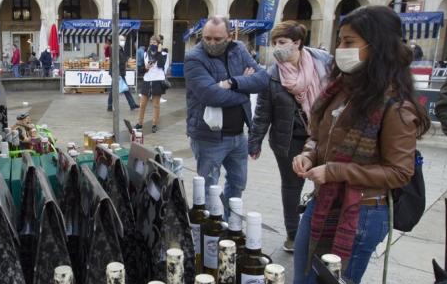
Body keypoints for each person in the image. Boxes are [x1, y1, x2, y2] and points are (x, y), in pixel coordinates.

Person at [291, 6, 430, 284]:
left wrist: (337, 171)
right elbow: (319, 136)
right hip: (323, 202)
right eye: (340, 40)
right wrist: (309, 155)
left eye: (349, 41)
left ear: (376, 45)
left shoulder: (396, 105)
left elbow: (399, 172)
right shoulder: (341, 89)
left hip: (362, 214)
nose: (341, 48)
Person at [249, 21, 332, 252]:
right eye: (275, 43)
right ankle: (293, 234)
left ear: (297, 43)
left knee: (324, 183)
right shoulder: (272, 74)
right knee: (291, 186)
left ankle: (320, 230)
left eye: (282, 42)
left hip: (323, 137)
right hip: (287, 139)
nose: (277, 47)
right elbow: (263, 112)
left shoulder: (323, 64)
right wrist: (255, 142)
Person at [184, 15, 269, 214]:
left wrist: (232, 83)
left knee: (238, 184)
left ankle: (231, 223)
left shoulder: (238, 49)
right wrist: (245, 91)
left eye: (217, 39)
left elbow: (263, 78)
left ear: (229, 37)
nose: (211, 43)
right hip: (208, 136)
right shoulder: (194, 58)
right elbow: (210, 95)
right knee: (209, 189)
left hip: (238, 135)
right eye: (207, 38)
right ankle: (211, 229)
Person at [135, 36, 167, 133]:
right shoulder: (145, 54)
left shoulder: (163, 53)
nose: (152, 43)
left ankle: (154, 124)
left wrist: (159, 52)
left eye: (154, 42)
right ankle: (139, 123)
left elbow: (162, 64)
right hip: (147, 80)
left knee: (156, 105)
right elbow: (140, 69)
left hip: (157, 80)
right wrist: (146, 68)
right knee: (142, 104)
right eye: (151, 42)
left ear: (158, 43)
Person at [107, 35, 140, 112]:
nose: (123, 41)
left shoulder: (120, 48)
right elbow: (115, 61)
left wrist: (127, 59)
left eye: (124, 40)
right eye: (121, 40)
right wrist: (117, 73)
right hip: (117, 72)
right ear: (117, 40)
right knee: (121, 89)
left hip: (120, 72)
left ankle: (131, 104)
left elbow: (122, 58)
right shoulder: (115, 48)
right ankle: (131, 104)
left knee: (122, 89)